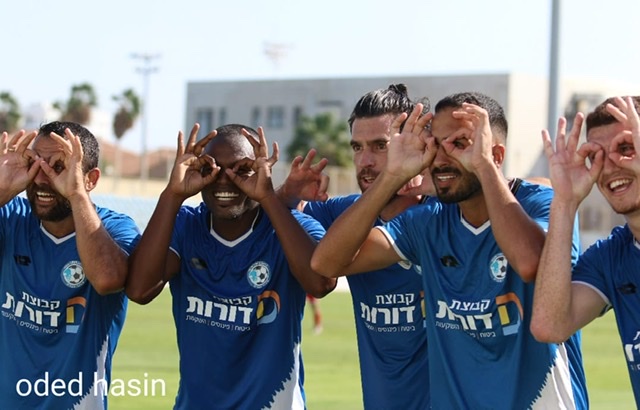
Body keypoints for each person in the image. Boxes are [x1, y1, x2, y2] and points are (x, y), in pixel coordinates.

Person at [310, 91, 588, 409]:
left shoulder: (544, 202)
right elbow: (327, 263)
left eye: (460, 144)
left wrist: (484, 166)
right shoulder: (427, 222)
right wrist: (392, 177)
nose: (441, 158)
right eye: (436, 145)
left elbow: (529, 263)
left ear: (495, 154)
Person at [125, 123, 336, 409]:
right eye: (210, 168)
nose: (224, 180)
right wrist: (172, 194)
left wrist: (267, 196)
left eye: (242, 170)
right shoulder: (185, 225)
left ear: (262, 172)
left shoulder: (292, 227)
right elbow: (139, 290)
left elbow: (321, 283)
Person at [279, 84, 431, 409]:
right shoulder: (342, 215)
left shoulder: (445, 216)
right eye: (357, 147)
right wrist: (287, 194)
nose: (364, 161)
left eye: (380, 146)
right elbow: (277, 216)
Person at [0, 122, 139, 408]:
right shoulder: (11, 216)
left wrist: (76, 194)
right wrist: (1, 190)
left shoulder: (115, 229)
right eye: (35, 164)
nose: (42, 178)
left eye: (59, 167)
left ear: (91, 179)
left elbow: (107, 279)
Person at [531, 95, 640, 404]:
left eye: (626, 148)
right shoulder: (611, 257)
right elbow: (549, 326)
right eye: (597, 156)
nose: (610, 167)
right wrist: (565, 202)